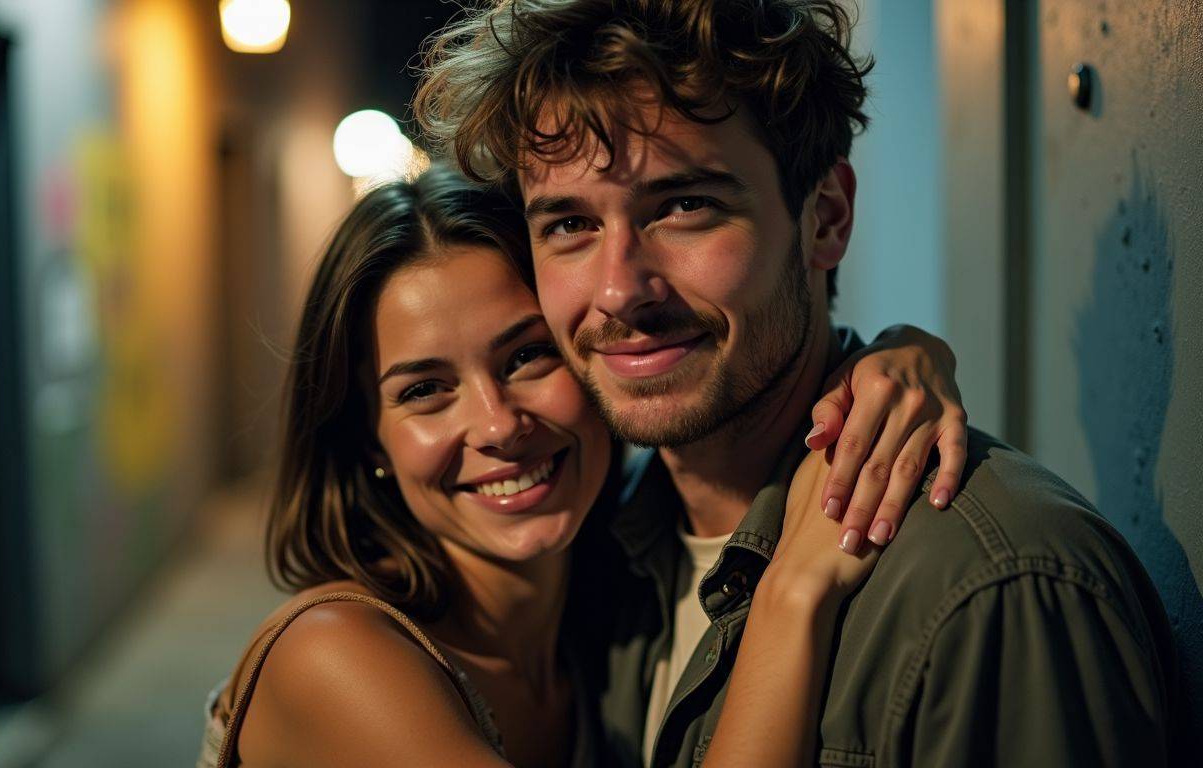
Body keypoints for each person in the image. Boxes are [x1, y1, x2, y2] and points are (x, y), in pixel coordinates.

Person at [415, 0, 1180, 765]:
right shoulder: (595, 551)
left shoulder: (994, 586)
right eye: (570, 225)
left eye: (685, 206)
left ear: (827, 217)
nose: (619, 290)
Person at [197, 165, 970, 767]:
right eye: (427, 391)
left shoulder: (607, 592)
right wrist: (792, 595)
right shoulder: (335, 658)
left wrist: (900, 354)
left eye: (528, 356)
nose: (498, 425)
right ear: (368, 440)